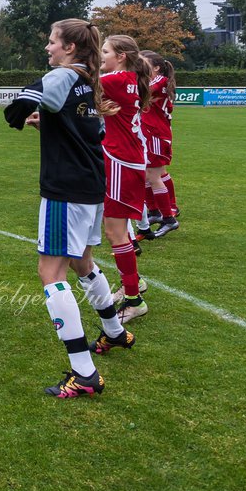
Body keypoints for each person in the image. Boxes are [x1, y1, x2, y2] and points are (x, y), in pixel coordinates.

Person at [4, 19, 133, 399]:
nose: (48, 47)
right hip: (91, 185)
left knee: (50, 273)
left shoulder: (63, 75)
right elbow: (87, 130)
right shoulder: (89, 81)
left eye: (52, 41)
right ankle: (114, 332)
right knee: (83, 263)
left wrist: (23, 114)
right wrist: (48, 124)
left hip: (66, 190)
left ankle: (84, 373)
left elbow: (19, 107)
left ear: (70, 47)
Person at [96, 35, 151, 325]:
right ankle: (134, 283)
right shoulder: (126, 78)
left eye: (105, 51)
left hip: (121, 162)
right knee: (118, 231)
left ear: (121, 56)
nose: (101, 55)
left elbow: (78, 87)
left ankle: (134, 300)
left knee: (115, 233)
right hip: (126, 159)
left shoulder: (116, 79)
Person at [140, 51, 180, 238]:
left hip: (156, 134)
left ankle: (168, 218)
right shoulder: (154, 82)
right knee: (147, 175)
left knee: (154, 175)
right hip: (149, 133)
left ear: (156, 67)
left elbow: (141, 93)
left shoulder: (159, 82)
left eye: (143, 63)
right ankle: (155, 211)